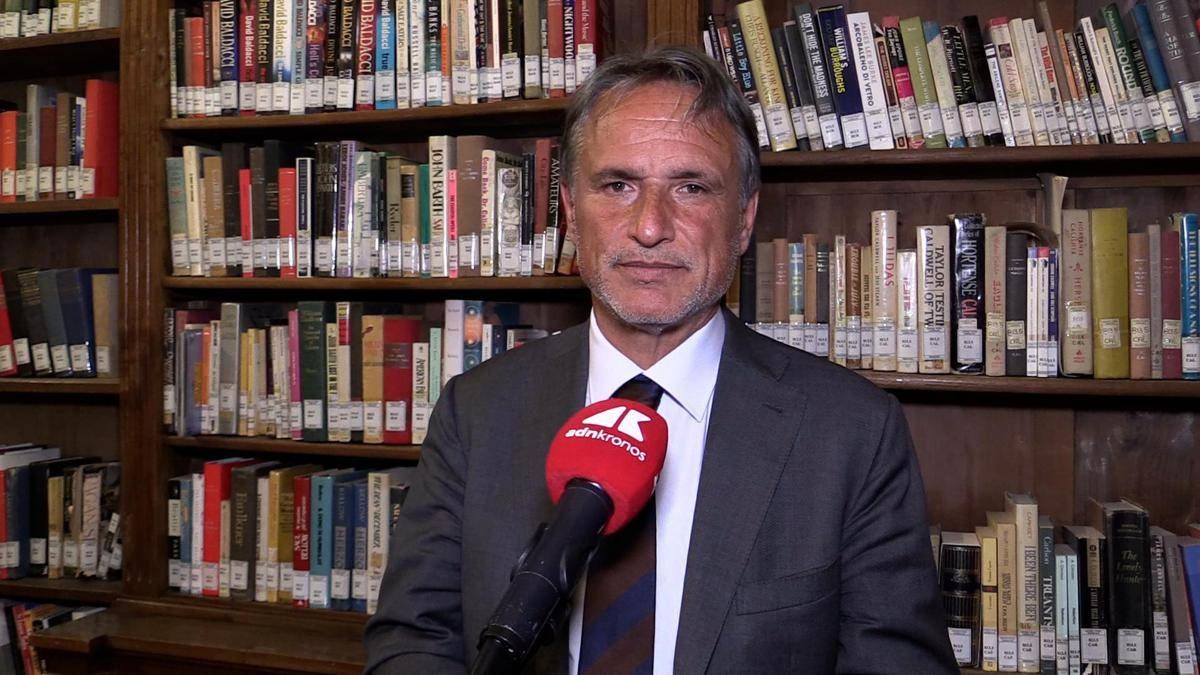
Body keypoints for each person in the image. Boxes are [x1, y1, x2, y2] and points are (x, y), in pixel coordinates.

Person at [364, 46, 957, 674]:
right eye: (618, 185)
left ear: (744, 219)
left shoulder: (852, 431)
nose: (650, 227)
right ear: (571, 211)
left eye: (690, 187)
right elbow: (413, 642)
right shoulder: (479, 410)